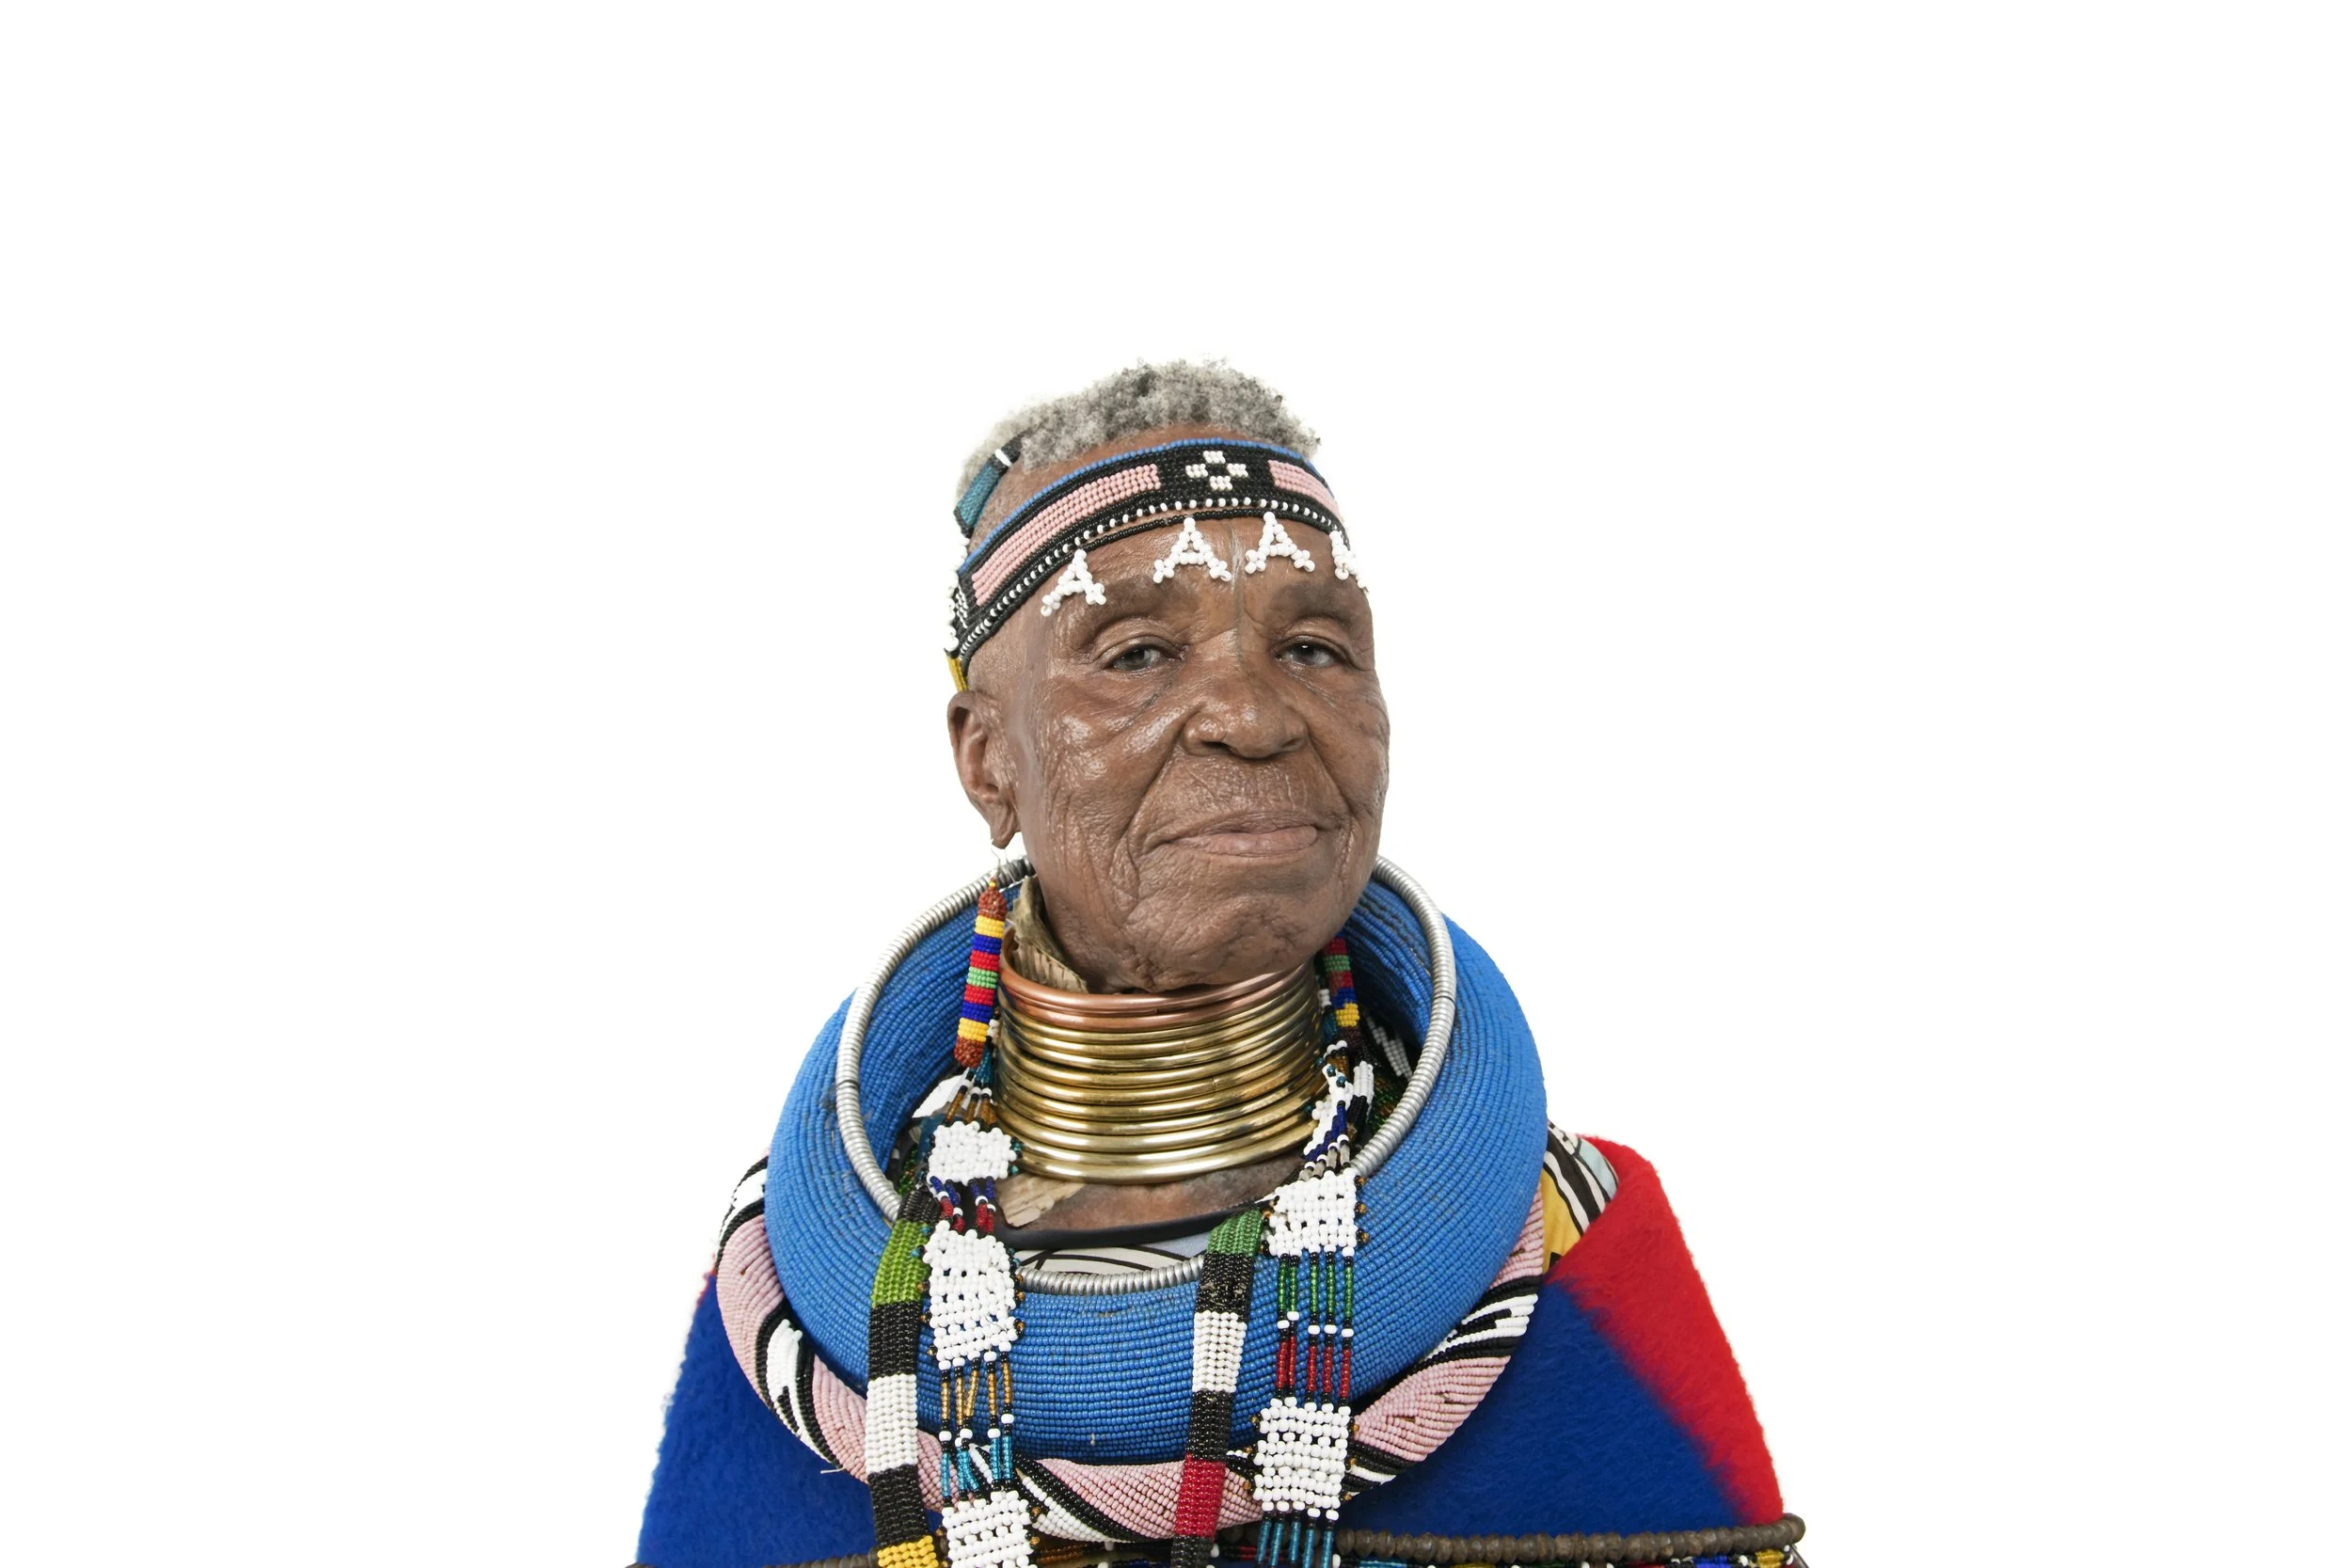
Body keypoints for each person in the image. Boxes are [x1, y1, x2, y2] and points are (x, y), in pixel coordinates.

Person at [634, 364, 1807, 1568]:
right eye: (1137, 652)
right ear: (989, 759)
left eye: (1314, 646)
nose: (1253, 715)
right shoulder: (808, 1294)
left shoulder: (1572, 1244)